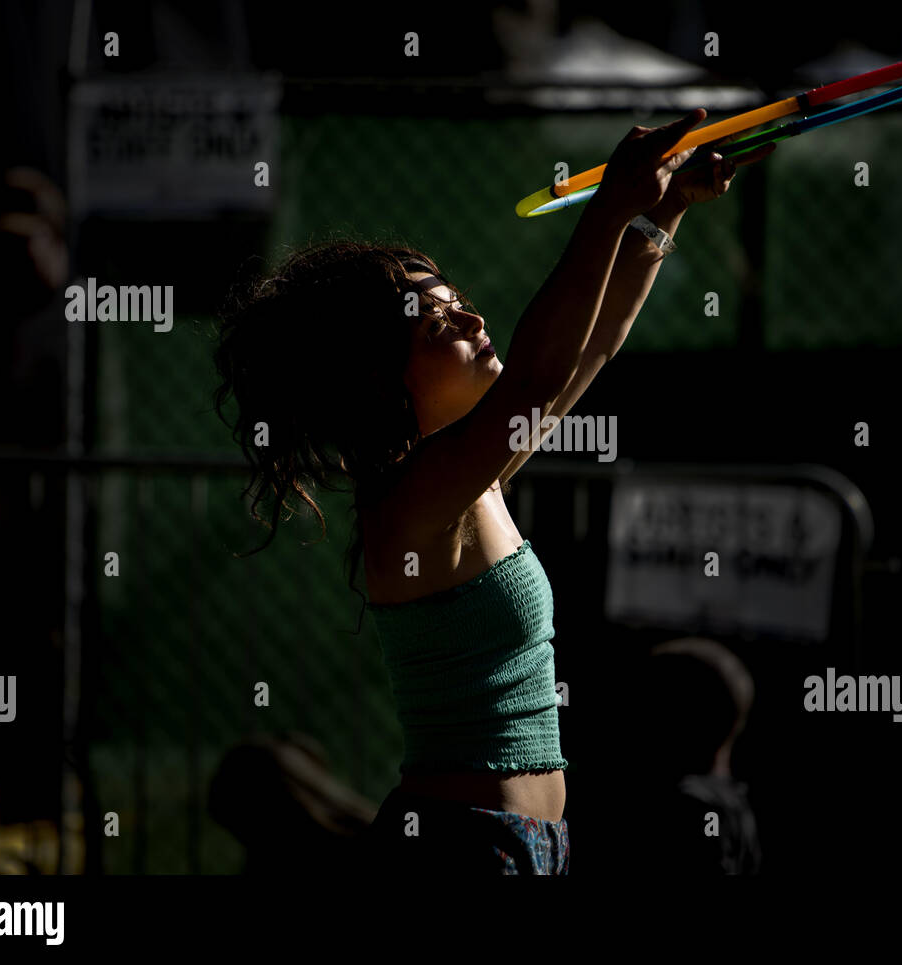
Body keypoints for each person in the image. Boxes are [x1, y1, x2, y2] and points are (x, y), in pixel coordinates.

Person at [213, 109, 776, 874]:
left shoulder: (476, 476)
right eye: (439, 323)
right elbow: (541, 378)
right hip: (463, 849)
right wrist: (610, 207)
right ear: (383, 381)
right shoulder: (409, 500)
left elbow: (591, 348)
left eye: (457, 301)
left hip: (520, 847)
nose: (474, 317)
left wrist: (660, 213)